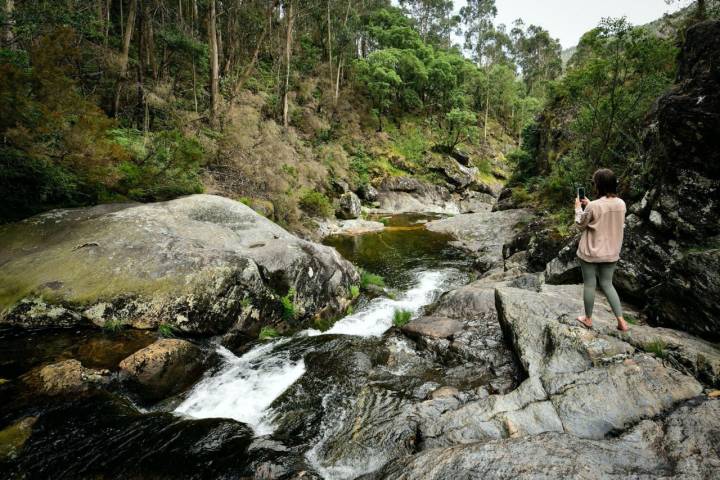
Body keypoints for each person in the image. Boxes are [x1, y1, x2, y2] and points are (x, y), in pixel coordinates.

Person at [574, 168, 629, 331]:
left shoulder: (594, 206)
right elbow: (605, 214)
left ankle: (588, 319)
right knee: (607, 284)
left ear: (599, 185)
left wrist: (578, 208)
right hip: (611, 251)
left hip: (590, 251)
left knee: (590, 284)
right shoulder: (621, 203)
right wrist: (590, 204)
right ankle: (621, 322)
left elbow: (580, 225)